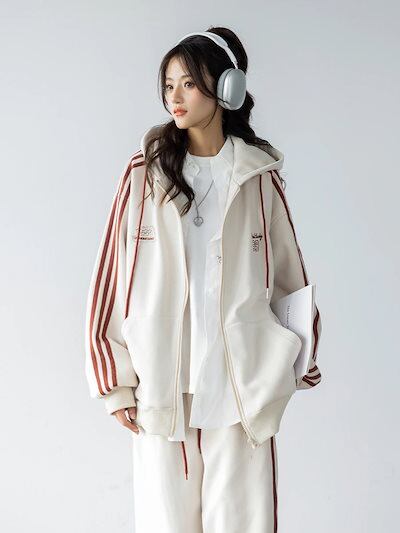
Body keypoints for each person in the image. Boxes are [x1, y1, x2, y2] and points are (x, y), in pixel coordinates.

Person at [84, 26, 322, 533]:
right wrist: (115, 383)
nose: (175, 96)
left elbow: (291, 279)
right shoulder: (144, 174)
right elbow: (109, 279)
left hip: (240, 389)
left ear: (226, 88)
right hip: (161, 387)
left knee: (243, 525)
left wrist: (295, 363)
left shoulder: (258, 177)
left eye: (189, 83)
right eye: (168, 85)